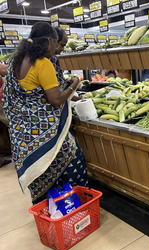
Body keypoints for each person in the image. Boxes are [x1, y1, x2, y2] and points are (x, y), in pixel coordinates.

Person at [1, 22, 87, 204]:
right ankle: (73, 203)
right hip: (45, 136)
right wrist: (74, 84)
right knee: (72, 154)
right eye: (56, 43)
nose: (57, 48)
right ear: (48, 40)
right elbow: (55, 100)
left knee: (41, 175)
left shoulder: (17, 62)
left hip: (25, 138)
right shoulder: (42, 63)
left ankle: (47, 206)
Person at [50, 27, 81, 101]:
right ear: (53, 41)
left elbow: (59, 85)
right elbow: (55, 98)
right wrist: (75, 83)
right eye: (62, 45)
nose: (63, 49)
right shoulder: (50, 60)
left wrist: (75, 98)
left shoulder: (53, 57)